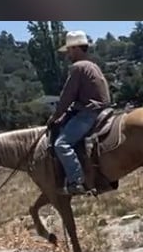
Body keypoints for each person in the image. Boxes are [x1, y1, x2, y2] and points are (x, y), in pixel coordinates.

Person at [47, 30, 112, 195]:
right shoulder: (92, 65)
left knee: (61, 144)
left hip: (89, 113)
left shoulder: (78, 67)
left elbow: (67, 96)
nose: (67, 54)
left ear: (76, 48)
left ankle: (77, 181)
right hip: (104, 109)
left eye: (69, 50)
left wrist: (55, 116)